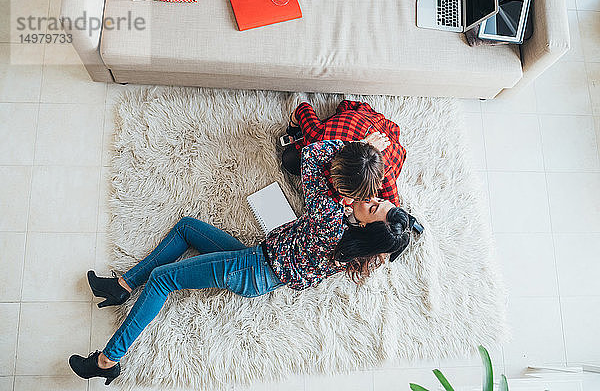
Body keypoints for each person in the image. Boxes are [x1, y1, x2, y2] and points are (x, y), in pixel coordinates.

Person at [68, 140, 412, 385]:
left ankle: (107, 360)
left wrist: (362, 152)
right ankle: (122, 286)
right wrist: (380, 196)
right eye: (374, 196)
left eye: (372, 204)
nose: (371, 198)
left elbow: (312, 154)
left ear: (366, 221)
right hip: (260, 259)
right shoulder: (367, 243)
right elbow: (394, 226)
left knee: (162, 280)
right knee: (187, 227)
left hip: (252, 269)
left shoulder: (331, 218)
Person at [282, 100, 407, 207]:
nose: (348, 202)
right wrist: (292, 128)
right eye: (345, 194)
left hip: (372, 129)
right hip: (348, 126)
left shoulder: (384, 170)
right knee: (290, 158)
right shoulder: (318, 136)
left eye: (357, 199)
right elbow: (302, 108)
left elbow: (393, 208)